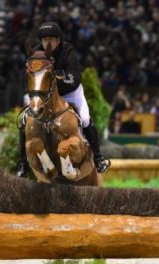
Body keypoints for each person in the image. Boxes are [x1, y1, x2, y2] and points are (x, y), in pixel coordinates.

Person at [16, 22, 110, 177]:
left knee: (85, 118)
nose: (48, 43)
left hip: (70, 91)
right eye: (45, 40)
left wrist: (56, 79)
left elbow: (74, 76)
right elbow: (31, 76)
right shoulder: (37, 54)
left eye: (51, 39)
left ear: (58, 40)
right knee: (26, 120)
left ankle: (98, 157)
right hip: (46, 96)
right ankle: (23, 162)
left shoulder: (68, 51)